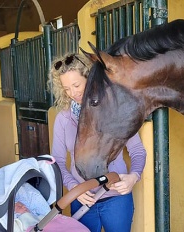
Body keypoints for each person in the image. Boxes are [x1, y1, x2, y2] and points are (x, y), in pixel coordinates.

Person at [48, 53, 147, 232]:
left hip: (117, 198)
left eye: (76, 85)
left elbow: (138, 151)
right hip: (82, 199)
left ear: (89, 77)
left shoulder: (115, 110)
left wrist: (134, 177)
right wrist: (74, 188)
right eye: (66, 88)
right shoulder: (63, 119)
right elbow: (58, 162)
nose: (73, 93)